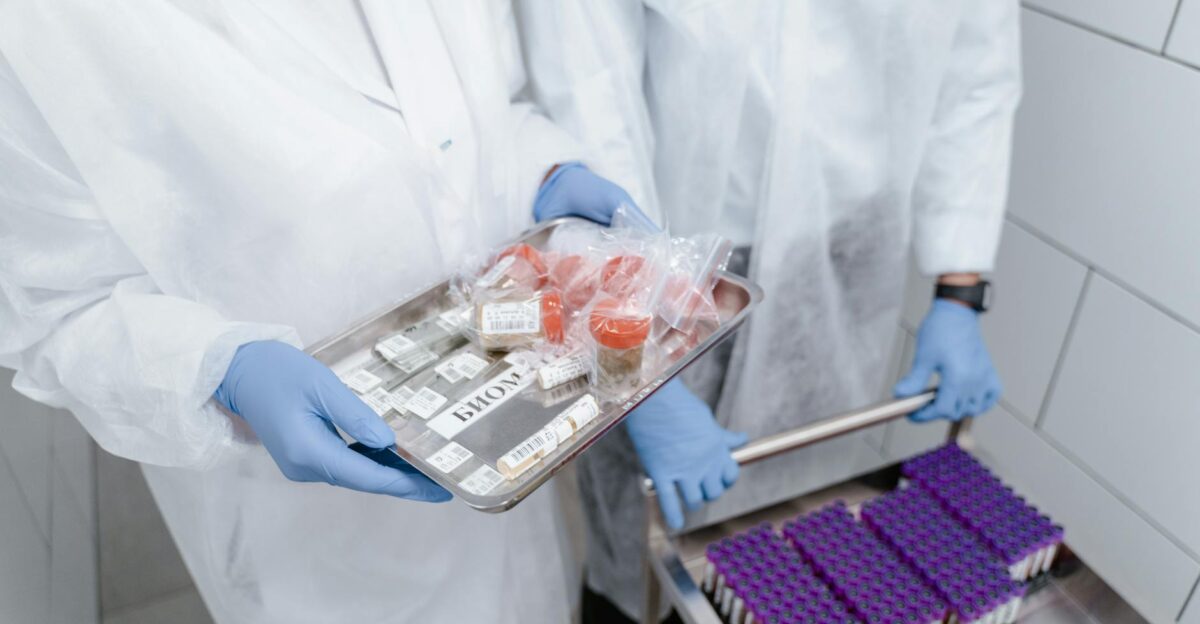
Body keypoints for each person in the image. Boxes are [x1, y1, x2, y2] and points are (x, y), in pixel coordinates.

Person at [0, 1, 662, 621]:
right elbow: (55, 306)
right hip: (312, 535)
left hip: (498, 444)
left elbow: (469, 118)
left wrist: (542, 172)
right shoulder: (48, 22)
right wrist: (218, 369)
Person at [518, 1, 1018, 621]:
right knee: (639, 546)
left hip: (847, 259)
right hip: (668, 255)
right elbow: (588, 87)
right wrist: (640, 363)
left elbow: (976, 73)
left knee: (794, 527)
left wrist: (960, 292)